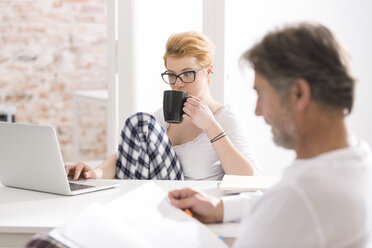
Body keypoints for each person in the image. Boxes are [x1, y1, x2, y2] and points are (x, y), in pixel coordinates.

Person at [169, 23, 372, 247]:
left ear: (299, 93)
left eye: (261, 94)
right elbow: (275, 198)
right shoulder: (357, 158)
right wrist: (221, 208)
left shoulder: (300, 195)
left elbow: (285, 200)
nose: (258, 110)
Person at [65, 31, 258, 181]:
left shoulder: (224, 117)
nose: (178, 83)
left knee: (141, 122)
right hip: (157, 197)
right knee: (140, 123)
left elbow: (249, 178)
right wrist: (94, 173)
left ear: (208, 72)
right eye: (172, 75)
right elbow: (128, 153)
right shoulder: (164, 117)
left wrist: (210, 126)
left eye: (188, 73)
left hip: (195, 202)